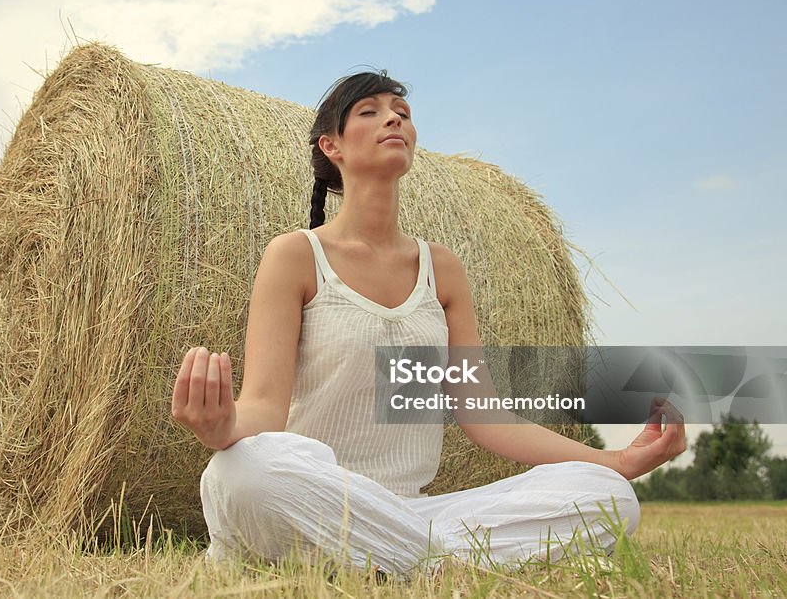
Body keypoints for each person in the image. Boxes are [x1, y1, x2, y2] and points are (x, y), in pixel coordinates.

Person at [170, 70, 686, 575]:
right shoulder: (296, 255)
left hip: (409, 511)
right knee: (240, 473)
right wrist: (226, 429)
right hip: (315, 492)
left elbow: (484, 413)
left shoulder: (442, 268)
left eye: (402, 113)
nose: (393, 119)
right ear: (333, 147)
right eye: (370, 112)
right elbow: (264, 405)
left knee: (609, 496)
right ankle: (435, 560)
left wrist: (616, 461)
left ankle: (394, 557)